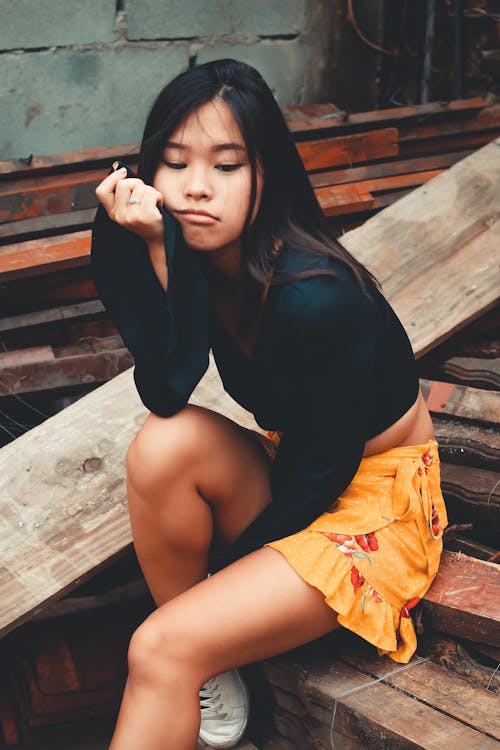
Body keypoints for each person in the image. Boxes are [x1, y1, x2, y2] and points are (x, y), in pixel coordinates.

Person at [92, 58, 447, 750]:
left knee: (159, 646)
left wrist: (208, 599)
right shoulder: (200, 260)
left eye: (227, 166)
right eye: (174, 162)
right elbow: (167, 390)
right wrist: (154, 250)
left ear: (265, 177)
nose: (196, 188)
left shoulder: (318, 297)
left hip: (374, 503)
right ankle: (208, 665)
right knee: (164, 443)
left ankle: (194, 652)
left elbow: (324, 474)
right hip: (301, 474)